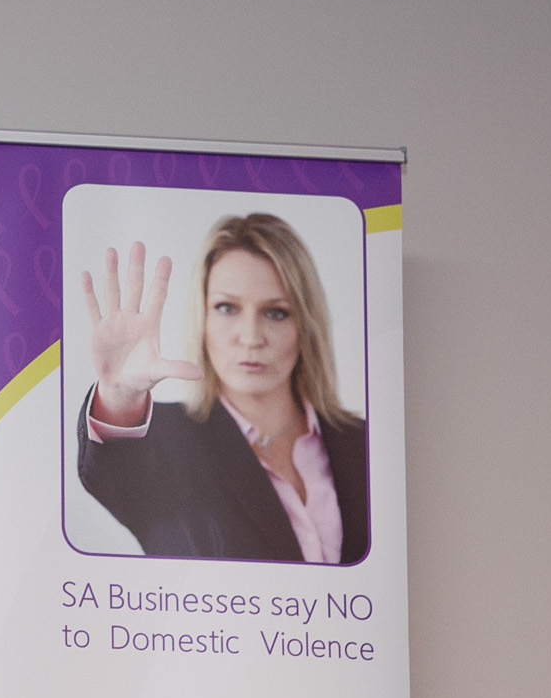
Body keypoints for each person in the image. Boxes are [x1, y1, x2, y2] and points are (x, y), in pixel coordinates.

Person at [75, 213, 367, 564]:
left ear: (306, 323)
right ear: (203, 318)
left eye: (276, 313)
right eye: (227, 308)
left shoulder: (362, 442)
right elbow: (113, 470)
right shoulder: (165, 443)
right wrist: (119, 396)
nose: (251, 338)